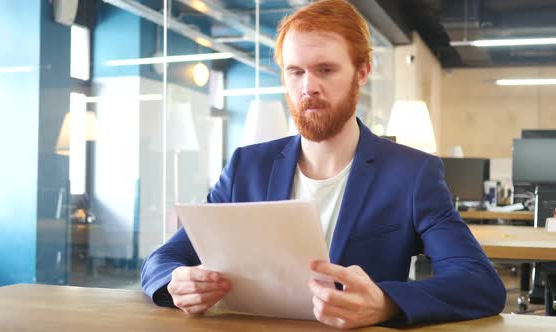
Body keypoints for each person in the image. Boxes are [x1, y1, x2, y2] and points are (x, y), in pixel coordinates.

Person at [141, 0, 506, 328]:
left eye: (326, 70)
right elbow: (164, 259)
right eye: (295, 71)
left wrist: (387, 302)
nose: (308, 87)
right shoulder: (246, 167)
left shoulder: (412, 175)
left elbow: (478, 282)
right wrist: (177, 280)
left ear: (361, 72)